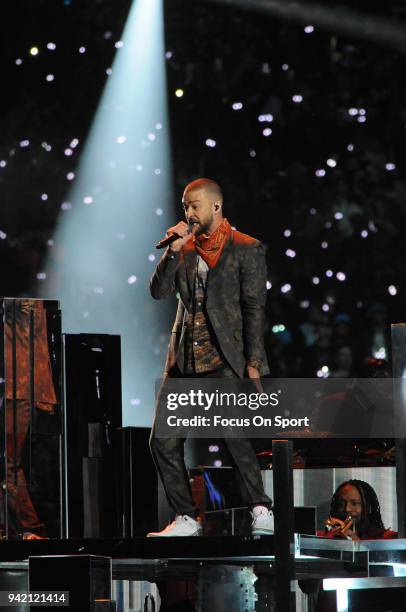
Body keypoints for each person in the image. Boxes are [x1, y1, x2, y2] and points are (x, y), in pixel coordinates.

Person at [148, 178, 273, 537]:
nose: (188, 213)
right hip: (184, 359)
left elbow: (254, 309)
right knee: (163, 441)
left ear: (215, 207)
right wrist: (173, 251)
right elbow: (157, 292)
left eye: (195, 206)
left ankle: (261, 509)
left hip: (224, 358)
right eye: (185, 206)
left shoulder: (246, 248)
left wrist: (253, 362)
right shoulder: (183, 249)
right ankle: (186, 517)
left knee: (234, 437)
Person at [320, 479, 397, 541]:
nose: (347, 509)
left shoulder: (388, 538)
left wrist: (358, 546)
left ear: (369, 507)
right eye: (341, 504)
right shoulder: (322, 536)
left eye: (354, 503)